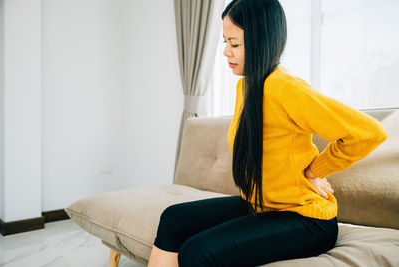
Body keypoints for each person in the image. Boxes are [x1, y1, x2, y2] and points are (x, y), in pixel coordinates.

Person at [148, 0, 388, 266]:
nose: (226, 52)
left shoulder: (287, 89)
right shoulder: (246, 87)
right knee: (173, 218)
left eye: (234, 44)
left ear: (261, 40)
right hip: (263, 205)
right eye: (225, 42)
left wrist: (315, 170)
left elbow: (368, 132)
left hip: (307, 220)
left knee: (197, 251)